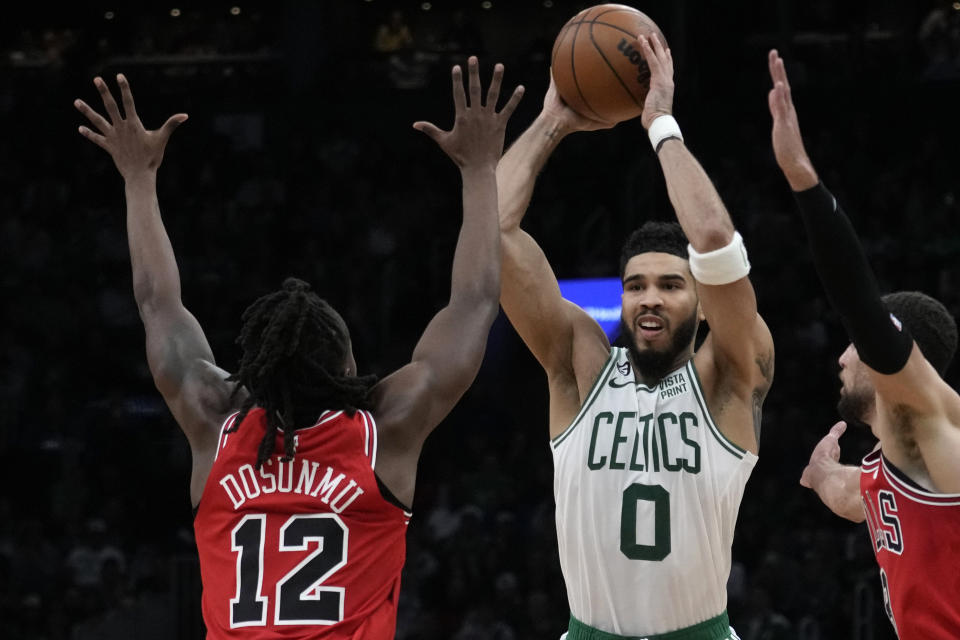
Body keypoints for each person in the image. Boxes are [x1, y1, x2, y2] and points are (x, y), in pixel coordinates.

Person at [73, 57, 523, 639]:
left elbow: (158, 304)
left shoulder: (215, 424)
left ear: (252, 371)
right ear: (347, 367)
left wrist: (138, 178)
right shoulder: (382, 430)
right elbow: (475, 301)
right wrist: (480, 169)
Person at [497, 33, 773, 639]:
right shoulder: (578, 368)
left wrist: (661, 125)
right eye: (637, 285)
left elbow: (715, 241)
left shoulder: (729, 375)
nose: (650, 298)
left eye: (672, 286)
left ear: (703, 308)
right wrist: (552, 122)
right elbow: (494, 229)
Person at [768, 49, 960, 638]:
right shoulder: (892, 463)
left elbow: (860, 304)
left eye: (855, 345)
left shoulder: (933, 425)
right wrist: (823, 470)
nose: (842, 355)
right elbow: (853, 495)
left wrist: (803, 179)